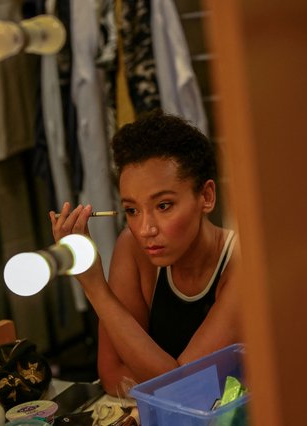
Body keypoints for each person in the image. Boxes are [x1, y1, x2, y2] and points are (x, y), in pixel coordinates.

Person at [49, 110, 240, 395]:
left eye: (163, 205)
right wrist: (168, 379)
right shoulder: (133, 247)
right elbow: (112, 373)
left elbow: (183, 388)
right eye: (132, 210)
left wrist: (97, 289)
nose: (145, 229)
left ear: (206, 196)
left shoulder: (241, 265)